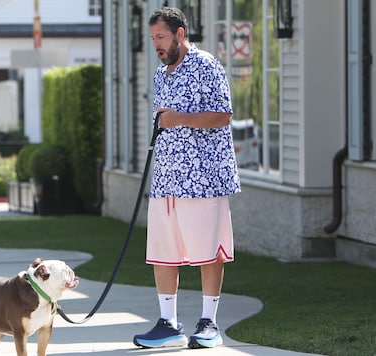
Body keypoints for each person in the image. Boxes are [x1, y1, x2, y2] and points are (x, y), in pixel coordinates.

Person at [133, 7, 241, 350]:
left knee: (209, 251)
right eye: (153, 39)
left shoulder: (207, 65)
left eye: (161, 37)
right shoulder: (160, 74)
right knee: (162, 252)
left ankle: (209, 323)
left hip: (203, 177)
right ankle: (168, 324)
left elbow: (223, 115)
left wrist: (181, 118)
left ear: (180, 34)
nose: (157, 45)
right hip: (166, 179)